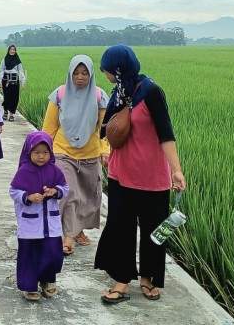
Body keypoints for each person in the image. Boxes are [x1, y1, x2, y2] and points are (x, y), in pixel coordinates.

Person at [94, 45, 186, 304]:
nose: (106, 75)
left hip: (152, 177)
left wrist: (176, 171)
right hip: (121, 174)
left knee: (154, 230)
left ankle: (149, 278)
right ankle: (122, 280)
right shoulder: (118, 94)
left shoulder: (151, 92)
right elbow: (104, 128)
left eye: (109, 70)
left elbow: (166, 134)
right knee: (120, 228)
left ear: (120, 68)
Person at [41, 55, 110, 256]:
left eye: (85, 73)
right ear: (70, 74)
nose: (80, 77)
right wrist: (42, 152)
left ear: (91, 75)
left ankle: (77, 229)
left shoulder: (99, 97)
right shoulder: (60, 95)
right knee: (68, 193)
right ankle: (68, 236)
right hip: (63, 151)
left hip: (90, 154)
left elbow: (103, 130)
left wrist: (105, 151)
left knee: (89, 197)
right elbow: (49, 127)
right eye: (76, 73)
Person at [10, 131, 69, 301]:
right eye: (36, 152)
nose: (41, 156)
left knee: (52, 253)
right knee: (30, 255)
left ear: (50, 152)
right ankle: (29, 286)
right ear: (29, 152)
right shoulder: (24, 171)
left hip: (50, 224)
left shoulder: (55, 171)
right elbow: (13, 191)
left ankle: (47, 280)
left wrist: (55, 191)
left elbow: (65, 188)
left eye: (45, 152)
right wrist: (27, 197)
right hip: (30, 225)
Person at [0, 44, 26, 121]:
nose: (12, 51)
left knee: (14, 97)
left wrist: (22, 81)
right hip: (6, 79)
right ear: (9, 50)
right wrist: (0, 80)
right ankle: (5, 112)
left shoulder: (17, 60)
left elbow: (20, 70)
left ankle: (12, 114)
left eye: (14, 50)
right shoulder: (4, 59)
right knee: (7, 97)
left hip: (15, 79)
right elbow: (1, 70)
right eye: (11, 49)